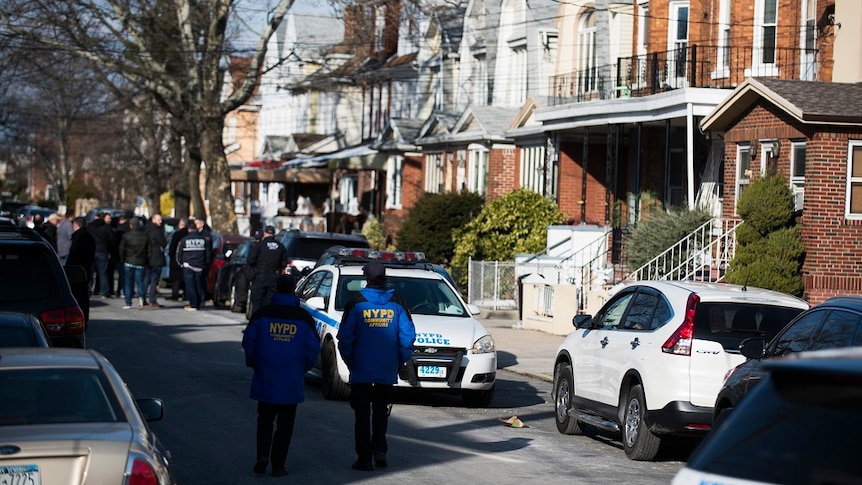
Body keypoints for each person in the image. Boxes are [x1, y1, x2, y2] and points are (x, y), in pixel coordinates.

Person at [337, 261, 415, 471]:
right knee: (381, 411)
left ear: (366, 278)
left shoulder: (356, 303)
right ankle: (380, 451)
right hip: (387, 368)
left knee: (361, 414)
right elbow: (407, 338)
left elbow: (345, 338)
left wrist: (351, 361)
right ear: (384, 277)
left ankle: (364, 458)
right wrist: (399, 360)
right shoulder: (398, 302)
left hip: (361, 368)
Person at [241, 275, 320, 477]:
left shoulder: (262, 314)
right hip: (290, 378)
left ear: (276, 289)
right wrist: (301, 368)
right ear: (294, 290)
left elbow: (248, 342)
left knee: (265, 419)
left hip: (266, 375)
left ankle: (262, 456)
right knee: (285, 424)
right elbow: (313, 349)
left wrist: (254, 363)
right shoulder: (304, 318)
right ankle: (278, 465)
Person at [246, 225, 287, 317]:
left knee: (257, 301)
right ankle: (268, 322)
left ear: (264, 233)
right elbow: (284, 263)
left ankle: (257, 322)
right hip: (274, 277)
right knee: (270, 302)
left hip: (260, 275)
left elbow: (250, 260)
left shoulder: (259, 245)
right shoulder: (280, 247)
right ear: (274, 234)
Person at [65, 217, 96, 321]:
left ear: (76, 226)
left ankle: (78, 320)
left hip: (77, 271)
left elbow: (73, 255)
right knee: (83, 296)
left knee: (77, 297)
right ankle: (83, 319)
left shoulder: (78, 238)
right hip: (86, 270)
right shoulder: (90, 237)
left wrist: (68, 268)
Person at [177, 218, 211, 311]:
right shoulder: (203, 240)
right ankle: (200, 303)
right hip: (200, 266)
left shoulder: (184, 240)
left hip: (188, 266)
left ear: (188, 230)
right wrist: (206, 264)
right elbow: (208, 254)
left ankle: (193, 304)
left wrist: (181, 263)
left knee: (190, 286)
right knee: (199, 285)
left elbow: (179, 254)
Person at [119, 217, 149, 310]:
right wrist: (146, 260)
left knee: (128, 283)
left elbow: (122, 248)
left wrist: (122, 259)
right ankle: (141, 297)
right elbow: (148, 250)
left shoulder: (126, 235)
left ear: (131, 225)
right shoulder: (144, 236)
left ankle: (128, 302)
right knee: (140, 282)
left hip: (129, 261)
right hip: (141, 262)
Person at [144, 213, 167, 307]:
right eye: (159, 220)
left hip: (147, 258)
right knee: (154, 280)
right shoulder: (157, 231)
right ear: (153, 220)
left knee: (146, 279)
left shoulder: (146, 230)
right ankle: (152, 300)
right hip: (156, 257)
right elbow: (163, 243)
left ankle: (142, 297)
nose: (161, 221)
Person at [89, 212, 114, 298]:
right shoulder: (107, 227)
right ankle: (105, 292)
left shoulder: (90, 226)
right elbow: (111, 240)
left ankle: (88, 290)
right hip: (103, 251)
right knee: (103, 272)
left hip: (91, 250)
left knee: (90, 272)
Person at [168, 217, 188, 300]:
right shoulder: (189, 234)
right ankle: (186, 295)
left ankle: (175, 294)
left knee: (176, 279)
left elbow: (172, 247)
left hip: (176, 259)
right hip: (187, 259)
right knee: (186, 279)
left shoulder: (177, 234)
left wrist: (171, 254)